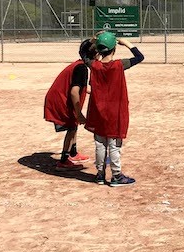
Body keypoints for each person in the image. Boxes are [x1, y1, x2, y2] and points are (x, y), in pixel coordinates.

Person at [85, 32, 145, 187]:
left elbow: (83, 52)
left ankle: (100, 175)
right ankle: (116, 175)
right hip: (115, 111)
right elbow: (139, 57)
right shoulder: (119, 65)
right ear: (114, 49)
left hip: (98, 110)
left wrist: (92, 40)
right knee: (114, 144)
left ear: (99, 50)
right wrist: (127, 43)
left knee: (100, 144)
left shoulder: (94, 65)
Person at [43, 38, 96, 170]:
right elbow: (74, 91)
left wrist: (97, 92)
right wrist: (78, 113)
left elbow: (81, 87)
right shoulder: (82, 68)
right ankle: (63, 161)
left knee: (74, 125)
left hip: (59, 97)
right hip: (60, 100)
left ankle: (73, 153)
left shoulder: (80, 64)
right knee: (72, 127)